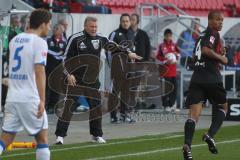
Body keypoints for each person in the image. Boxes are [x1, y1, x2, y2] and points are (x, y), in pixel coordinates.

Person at [55, 16, 141, 145]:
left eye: (95, 26)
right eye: (91, 26)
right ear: (85, 26)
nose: (94, 29)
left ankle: (96, 135)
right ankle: (60, 136)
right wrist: (68, 74)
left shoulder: (100, 38)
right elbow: (64, 59)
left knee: (96, 107)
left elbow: (115, 46)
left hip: (92, 80)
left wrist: (128, 52)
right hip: (76, 79)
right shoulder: (75, 38)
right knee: (68, 107)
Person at [0, 9, 52, 160]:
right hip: (30, 98)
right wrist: (42, 100)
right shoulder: (40, 42)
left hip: (12, 98)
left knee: (6, 138)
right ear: (42, 24)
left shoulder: (14, 40)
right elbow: (39, 72)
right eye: (48, 24)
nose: (49, 27)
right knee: (42, 139)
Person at [182, 10, 228, 160]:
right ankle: (210, 135)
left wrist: (218, 53)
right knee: (223, 107)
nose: (220, 22)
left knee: (193, 116)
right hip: (211, 78)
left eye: (222, 20)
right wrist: (221, 58)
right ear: (209, 20)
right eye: (217, 19)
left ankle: (187, 146)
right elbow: (206, 50)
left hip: (197, 78)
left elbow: (197, 56)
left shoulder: (201, 35)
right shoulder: (213, 33)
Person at [107, 13, 136, 123]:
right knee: (114, 92)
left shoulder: (131, 33)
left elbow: (132, 51)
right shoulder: (114, 34)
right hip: (117, 69)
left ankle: (124, 115)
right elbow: (108, 51)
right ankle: (113, 116)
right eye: (123, 21)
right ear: (120, 22)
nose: (125, 23)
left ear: (130, 22)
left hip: (128, 69)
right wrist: (112, 66)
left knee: (126, 92)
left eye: (127, 21)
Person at [156, 29, 180, 112]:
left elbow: (178, 54)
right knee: (166, 89)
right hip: (165, 72)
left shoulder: (174, 45)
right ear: (164, 36)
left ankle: (172, 104)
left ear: (171, 36)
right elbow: (158, 57)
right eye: (167, 36)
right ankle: (165, 105)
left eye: (170, 36)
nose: (168, 37)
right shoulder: (161, 46)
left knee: (175, 88)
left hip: (173, 71)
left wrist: (176, 57)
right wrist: (165, 60)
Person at [46, 23, 66, 114]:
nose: (54, 29)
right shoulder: (48, 40)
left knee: (56, 88)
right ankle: (45, 106)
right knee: (46, 87)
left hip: (58, 69)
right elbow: (46, 51)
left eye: (57, 28)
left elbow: (65, 54)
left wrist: (59, 55)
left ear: (62, 31)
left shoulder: (64, 42)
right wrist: (58, 54)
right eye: (54, 28)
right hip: (48, 68)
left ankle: (53, 107)